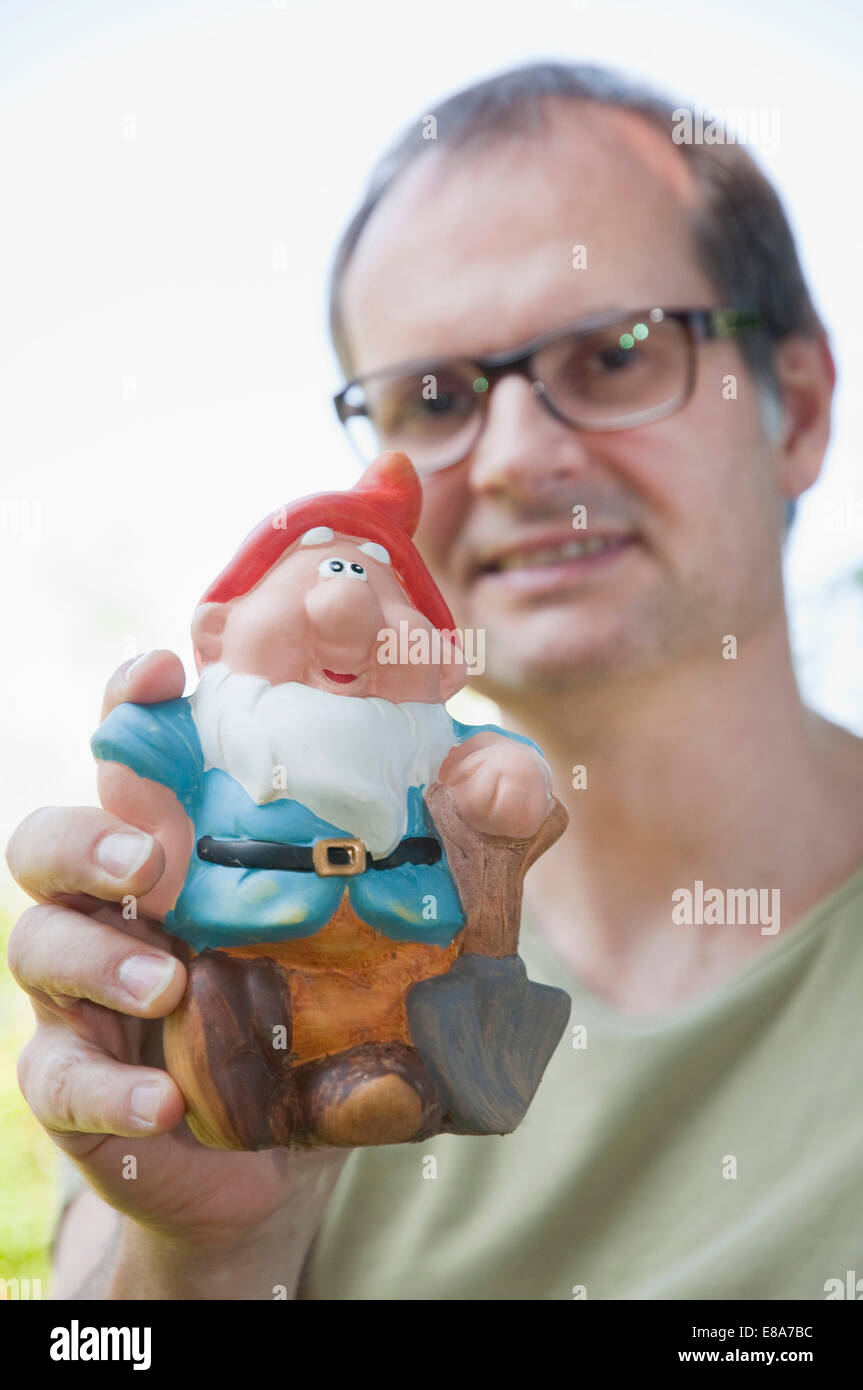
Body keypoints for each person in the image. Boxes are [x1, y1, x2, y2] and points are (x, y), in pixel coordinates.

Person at [7, 61, 863, 1301]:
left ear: (789, 410)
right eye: (433, 397)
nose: (517, 454)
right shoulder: (179, 984)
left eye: (617, 350)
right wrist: (211, 1254)